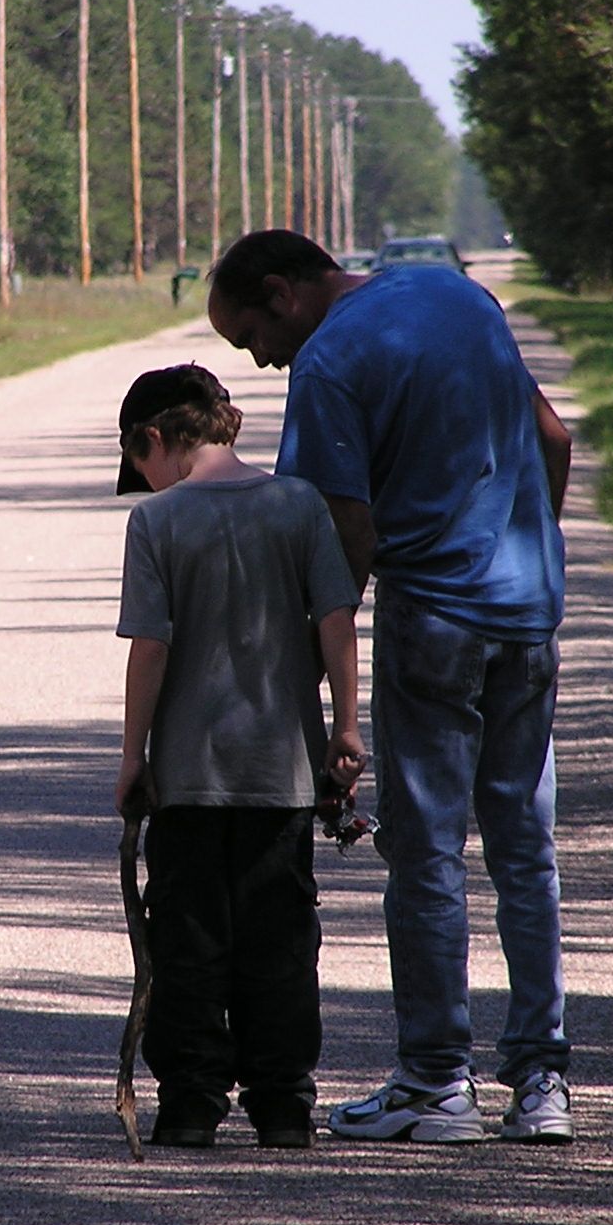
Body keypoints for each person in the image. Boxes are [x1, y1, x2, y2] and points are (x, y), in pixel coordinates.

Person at [206, 230, 577, 1145]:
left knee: (427, 851)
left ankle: (436, 1084)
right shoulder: (459, 297)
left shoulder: (329, 360)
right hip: (528, 611)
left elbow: (344, 537)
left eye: (251, 337)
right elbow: (553, 438)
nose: (260, 360)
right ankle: (542, 1085)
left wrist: (311, 686)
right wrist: (528, 555)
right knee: (524, 847)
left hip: (436, 618)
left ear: (283, 294)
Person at [112, 363, 365, 1149]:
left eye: (139, 462)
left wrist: (133, 757)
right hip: (282, 775)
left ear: (155, 438)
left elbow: (151, 647)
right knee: (280, 941)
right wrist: (345, 729)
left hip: (187, 779)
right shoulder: (298, 505)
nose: (144, 481)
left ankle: (191, 1104)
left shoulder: (158, 522)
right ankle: (283, 1105)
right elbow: (336, 619)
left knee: (187, 939)